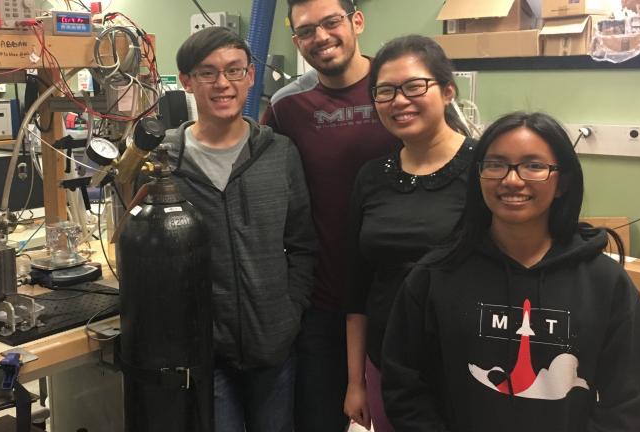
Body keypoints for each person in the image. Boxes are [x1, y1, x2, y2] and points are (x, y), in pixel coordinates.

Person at [381, 111, 640, 431]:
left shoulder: (605, 283)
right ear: (479, 176)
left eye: (534, 166)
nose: (512, 179)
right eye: (496, 164)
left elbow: (628, 399)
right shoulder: (434, 276)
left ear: (562, 181)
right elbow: (404, 385)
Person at [166, 27, 318, 432]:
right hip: (204, 350)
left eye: (234, 71)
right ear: (186, 81)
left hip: (274, 344)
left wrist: (290, 313)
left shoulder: (279, 153)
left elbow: (303, 244)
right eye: (207, 73)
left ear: (251, 76)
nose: (222, 84)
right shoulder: (165, 161)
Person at [261, 1, 398, 429]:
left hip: (402, 298)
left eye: (331, 22)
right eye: (305, 31)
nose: (320, 37)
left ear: (356, 21)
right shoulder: (287, 108)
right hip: (325, 303)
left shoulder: (399, 85)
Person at [344, 35, 475, 431]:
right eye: (385, 91)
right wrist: (356, 381)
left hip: (471, 367)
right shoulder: (371, 177)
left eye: (415, 86)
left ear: (448, 90)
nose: (400, 101)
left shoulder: (484, 170)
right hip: (388, 366)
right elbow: (357, 286)